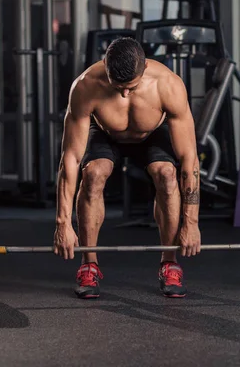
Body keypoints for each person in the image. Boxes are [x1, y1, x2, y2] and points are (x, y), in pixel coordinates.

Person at [54, 37, 201, 299]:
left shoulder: (168, 85)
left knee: (167, 175)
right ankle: (89, 264)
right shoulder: (86, 86)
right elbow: (70, 160)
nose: (123, 94)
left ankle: (169, 263)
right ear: (106, 67)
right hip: (105, 131)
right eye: (117, 87)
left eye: (130, 88)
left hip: (153, 132)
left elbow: (189, 160)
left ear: (144, 69)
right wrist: (63, 223)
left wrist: (191, 223)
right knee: (93, 174)